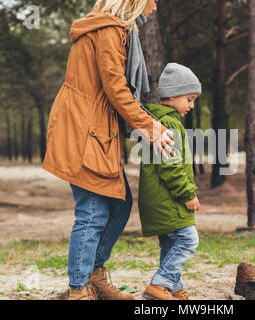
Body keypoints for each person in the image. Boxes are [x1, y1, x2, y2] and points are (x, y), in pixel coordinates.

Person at [42, 0, 175, 300]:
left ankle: (93, 274)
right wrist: (150, 126)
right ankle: (79, 290)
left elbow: (116, 90)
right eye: (153, 0)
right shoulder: (110, 30)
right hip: (83, 128)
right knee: (92, 212)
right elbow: (116, 88)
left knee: (119, 205)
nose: (156, 6)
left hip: (98, 129)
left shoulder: (118, 30)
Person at [138, 63, 202, 300]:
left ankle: (173, 289)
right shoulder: (170, 124)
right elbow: (171, 167)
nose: (192, 105)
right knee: (188, 239)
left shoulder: (156, 121)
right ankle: (159, 284)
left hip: (158, 199)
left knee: (169, 244)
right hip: (168, 199)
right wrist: (188, 194)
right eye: (189, 99)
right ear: (173, 96)